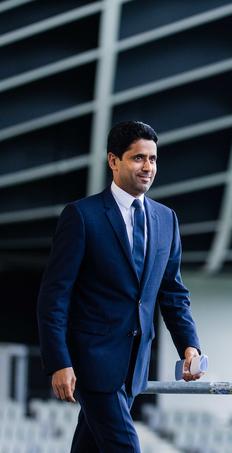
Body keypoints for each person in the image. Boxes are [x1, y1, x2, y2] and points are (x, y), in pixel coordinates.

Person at [37, 121, 203, 452]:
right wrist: (59, 361)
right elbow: (54, 297)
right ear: (113, 161)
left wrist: (189, 345)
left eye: (153, 159)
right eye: (138, 158)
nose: (148, 167)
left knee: (90, 445)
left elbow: (172, 293)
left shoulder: (166, 218)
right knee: (125, 447)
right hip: (91, 362)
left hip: (135, 365)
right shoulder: (82, 216)